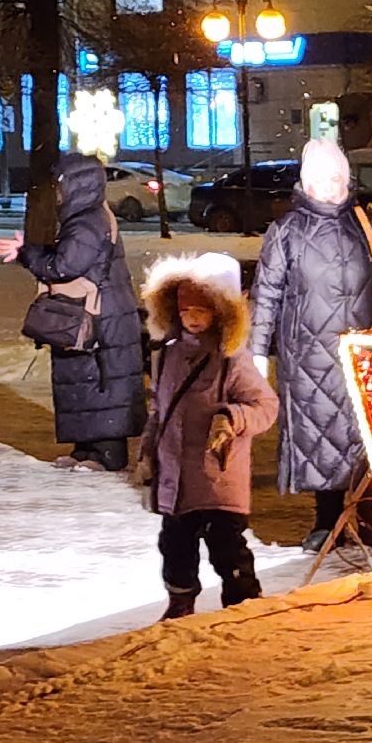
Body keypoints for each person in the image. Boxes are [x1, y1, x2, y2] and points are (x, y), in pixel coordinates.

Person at [249, 138, 372, 553]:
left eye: (336, 179)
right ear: (306, 183)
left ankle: (369, 520)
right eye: (321, 180)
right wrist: (257, 351)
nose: (330, 187)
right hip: (309, 356)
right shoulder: (287, 232)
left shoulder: (366, 225)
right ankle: (327, 520)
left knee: (365, 437)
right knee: (322, 439)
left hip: (364, 351)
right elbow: (267, 295)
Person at [137, 253, 279, 620]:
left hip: (218, 475)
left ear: (219, 311)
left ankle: (242, 603)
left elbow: (265, 406)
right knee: (174, 547)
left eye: (201, 310)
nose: (193, 318)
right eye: (186, 311)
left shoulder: (231, 358)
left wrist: (232, 418)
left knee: (227, 546)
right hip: (177, 477)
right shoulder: (167, 354)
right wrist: (148, 452)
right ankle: (180, 603)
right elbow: (160, 411)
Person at [0, 153, 146, 471]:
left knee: (98, 383)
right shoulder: (86, 218)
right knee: (84, 382)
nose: (57, 191)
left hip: (99, 319)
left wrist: (28, 255)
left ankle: (107, 453)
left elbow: (63, 266)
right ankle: (86, 449)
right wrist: (31, 252)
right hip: (97, 315)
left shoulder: (88, 222)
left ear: (77, 184)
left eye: (60, 184)